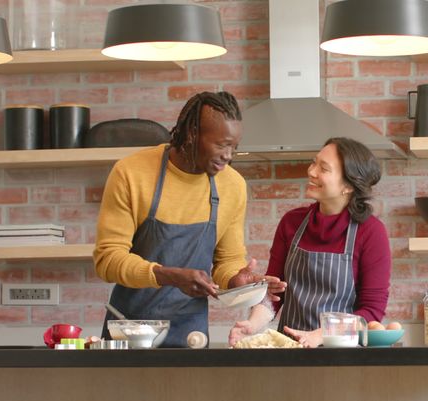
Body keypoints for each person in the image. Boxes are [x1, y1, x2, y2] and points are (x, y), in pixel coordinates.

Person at [94, 91, 284, 348]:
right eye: (221, 144)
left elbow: (226, 262)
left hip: (190, 334)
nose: (228, 155)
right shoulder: (131, 173)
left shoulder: (233, 185)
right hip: (129, 330)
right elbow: (107, 260)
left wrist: (237, 281)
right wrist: (170, 275)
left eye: (234, 147)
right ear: (193, 133)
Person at [229, 137, 391, 347]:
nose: (311, 171)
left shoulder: (370, 232)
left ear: (348, 185)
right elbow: (274, 293)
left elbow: (371, 312)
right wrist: (251, 325)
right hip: (290, 351)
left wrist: (321, 335)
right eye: (314, 162)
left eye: (323, 168)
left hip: (343, 355)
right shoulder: (291, 223)